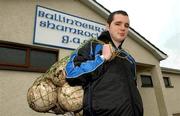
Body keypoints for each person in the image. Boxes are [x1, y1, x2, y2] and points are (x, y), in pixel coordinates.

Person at [65, 10, 143, 116]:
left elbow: (134, 86)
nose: (123, 28)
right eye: (118, 23)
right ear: (107, 26)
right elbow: (71, 73)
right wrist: (102, 58)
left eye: (126, 25)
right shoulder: (92, 46)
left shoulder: (129, 59)